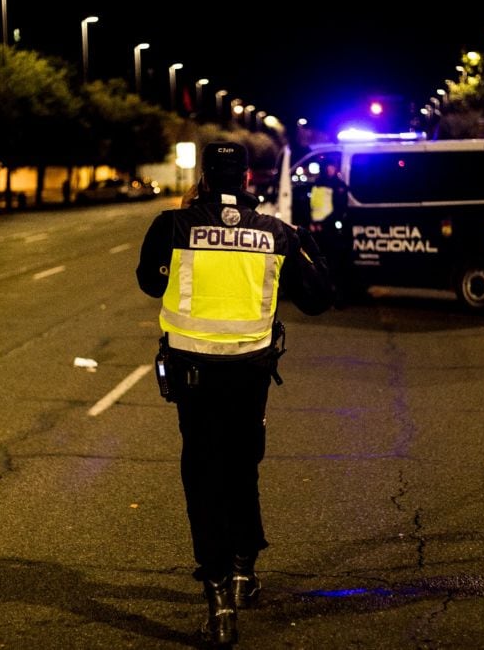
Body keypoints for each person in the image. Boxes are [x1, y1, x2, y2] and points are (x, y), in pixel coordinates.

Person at [136, 141, 334, 646]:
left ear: (203, 176)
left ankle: (219, 593)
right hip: (250, 374)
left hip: (193, 376)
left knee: (202, 475)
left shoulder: (172, 226)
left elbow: (148, 283)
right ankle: (245, 566)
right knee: (242, 465)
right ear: (247, 179)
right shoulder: (276, 232)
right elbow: (318, 298)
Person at [308, 161, 350, 303]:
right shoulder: (318, 184)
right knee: (320, 264)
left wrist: (324, 224)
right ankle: (323, 294)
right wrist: (313, 223)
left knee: (335, 264)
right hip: (317, 230)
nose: (329, 169)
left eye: (331, 167)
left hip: (331, 231)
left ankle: (338, 297)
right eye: (327, 167)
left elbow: (339, 209)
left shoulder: (338, 185)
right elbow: (314, 207)